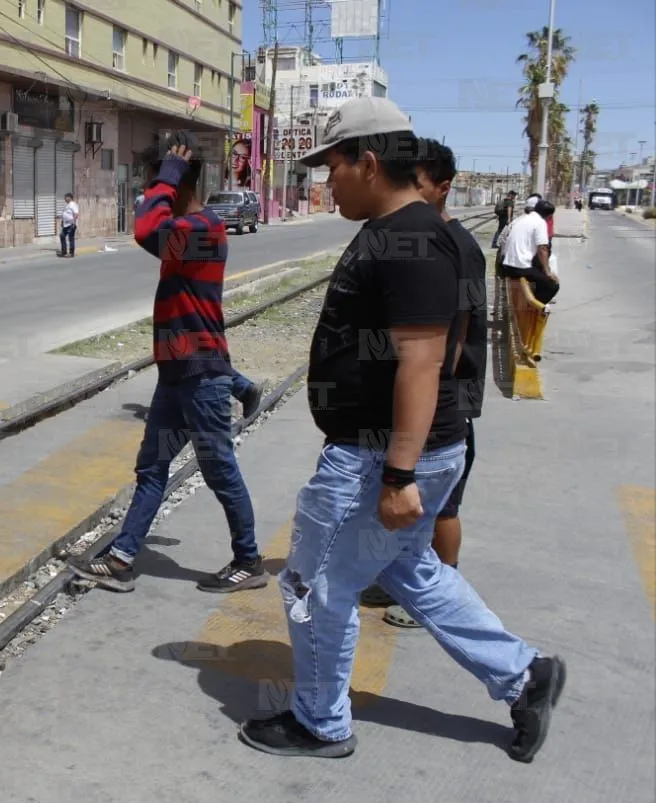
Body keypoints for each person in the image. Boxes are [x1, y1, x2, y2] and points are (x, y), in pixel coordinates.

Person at [238, 98, 564, 763]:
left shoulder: (407, 240)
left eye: (332, 168)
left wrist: (398, 474)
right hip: (402, 448)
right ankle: (525, 674)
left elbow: (422, 359)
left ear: (368, 160)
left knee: (314, 584)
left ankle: (320, 722)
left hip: (378, 453)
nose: (326, 183)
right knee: (414, 570)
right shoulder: (410, 229)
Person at [73, 132, 263, 595]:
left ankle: (249, 560)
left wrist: (166, 177)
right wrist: (166, 180)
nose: (147, 189)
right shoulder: (187, 229)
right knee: (152, 467)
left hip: (202, 378)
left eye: (154, 181)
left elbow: (143, 230)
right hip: (177, 376)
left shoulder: (202, 230)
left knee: (219, 469)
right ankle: (122, 558)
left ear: (178, 183)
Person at [360, 139, 488, 630]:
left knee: (441, 509)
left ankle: (445, 587)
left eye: (418, 184)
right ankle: (398, 578)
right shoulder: (423, 237)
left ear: (442, 188)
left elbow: (452, 339)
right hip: (426, 404)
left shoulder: (458, 247)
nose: (409, 193)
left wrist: (428, 391)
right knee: (406, 518)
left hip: (447, 405)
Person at [500, 198, 559, 304]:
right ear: (549, 216)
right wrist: (548, 272)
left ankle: (531, 301)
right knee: (553, 286)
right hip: (519, 267)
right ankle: (534, 308)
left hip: (507, 265)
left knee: (540, 277)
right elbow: (543, 249)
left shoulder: (522, 218)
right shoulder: (540, 222)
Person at [59, 193, 79, 257]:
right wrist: (62, 222)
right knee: (62, 235)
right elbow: (65, 214)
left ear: (70, 197)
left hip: (71, 224)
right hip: (66, 224)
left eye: (66, 197)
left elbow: (76, 214)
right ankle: (64, 252)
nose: (65, 199)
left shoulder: (73, 204)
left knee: (71, 238)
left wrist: (73, 223)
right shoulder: (67, 205)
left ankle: (71, 253)